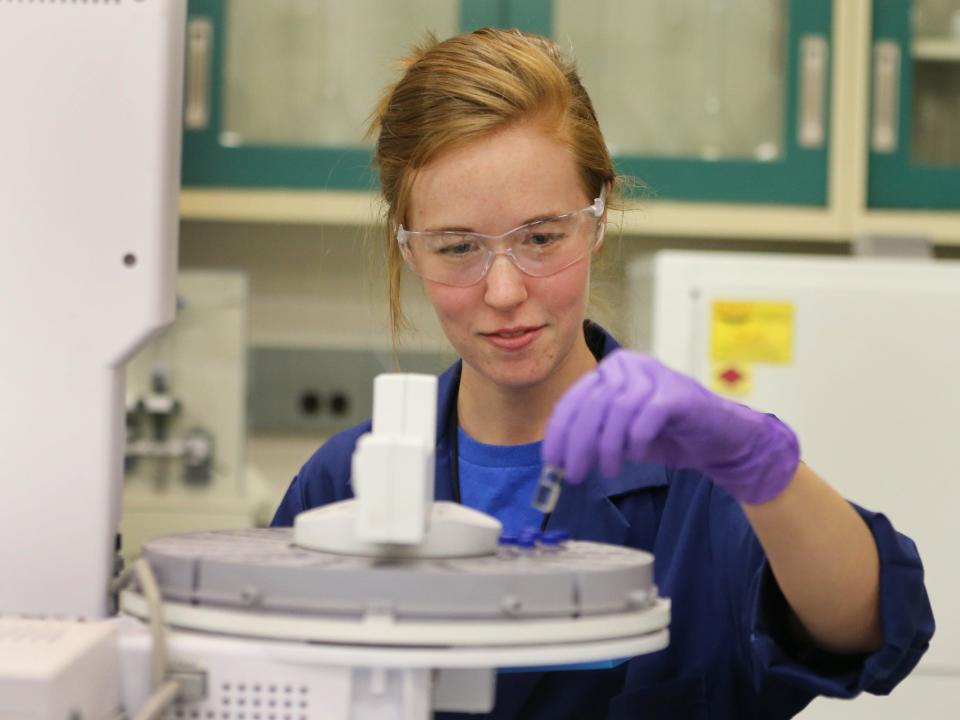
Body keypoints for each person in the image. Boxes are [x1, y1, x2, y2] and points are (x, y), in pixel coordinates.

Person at [272, 28, 933, 719]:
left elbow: (874, 632)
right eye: (458, 247)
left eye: (541, 238)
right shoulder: (340, 483)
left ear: (598, 219)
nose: (503, 290)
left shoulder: (700, 478)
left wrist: (761, 462)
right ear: (408, 250)